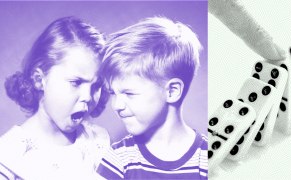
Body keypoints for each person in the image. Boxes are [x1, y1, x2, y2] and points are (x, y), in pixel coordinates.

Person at [0, 16, 122, 179]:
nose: (87, 97)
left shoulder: (100, 141)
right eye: (76, 82)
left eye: (96, 86)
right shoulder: (9, 156)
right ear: (39, 80)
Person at [96, 16, 208, 179]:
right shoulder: (119, 158)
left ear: (172, 91)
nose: (117, 105)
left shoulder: (205, 159)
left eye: (129, 93)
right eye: (113, 93)